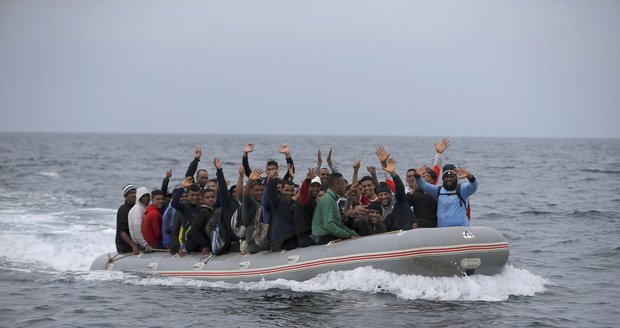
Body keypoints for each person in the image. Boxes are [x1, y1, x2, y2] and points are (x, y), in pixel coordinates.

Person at [311, 173, 359, 244]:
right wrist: (349, 236)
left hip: (327, 234)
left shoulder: (332, 199)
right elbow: (329, 225)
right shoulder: (328, 199)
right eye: (343, 184)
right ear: (336, 185)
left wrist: (354, 234)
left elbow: (339, 224)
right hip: (322, 236)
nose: (345, 186)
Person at [265, 168, 298, 251]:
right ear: (281, 190)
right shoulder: (277, 201)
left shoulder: (293, 203)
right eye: (287, 190)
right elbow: (271, 193)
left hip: (292, 236)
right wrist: (272, 179)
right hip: (282, 239)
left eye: (291, 191)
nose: (289, 193)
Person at [380, 156, 415, 231]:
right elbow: (389, 179)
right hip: (403, 225)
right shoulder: (400, 191)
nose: (412, 178)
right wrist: (384, 163)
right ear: (406, 179)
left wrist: (439, 154)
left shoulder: (427, 188)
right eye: (409, 177)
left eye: (414, 176)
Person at [170, 178, 202, 255]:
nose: (195, 197)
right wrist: (182, 188)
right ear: (187, 196)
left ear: (200, 195)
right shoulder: (183, 208)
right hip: (188, 244)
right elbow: (174, 203)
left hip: (201, 243)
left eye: (197, 195)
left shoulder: (202, 208)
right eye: (192, 195)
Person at [294, 169, 321, 247]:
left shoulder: (315, 200)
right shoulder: (305, 199)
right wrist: (308, 180)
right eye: (312, 186)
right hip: (304, 236)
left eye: (318, 186)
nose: (315, 189)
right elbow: (303, 192)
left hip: (312, 234)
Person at [185, 189, 216, 255]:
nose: (211, 199)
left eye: (212, 197)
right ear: (202, 199)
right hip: (197, 247)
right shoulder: (203, 212)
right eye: (207, 198)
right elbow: (194, 230)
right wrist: (205, 245)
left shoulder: (211, 210)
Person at [116, 184, 140, 254]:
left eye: (135, 193)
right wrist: (133, 245)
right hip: (124, 246)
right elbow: (122, 232)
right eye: (132, 193)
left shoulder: (136, 207)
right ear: (126, 196)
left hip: (135, 243)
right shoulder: (123, 209)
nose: (134, 195)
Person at [128, 187, 153, 252]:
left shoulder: (144, 208)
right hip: (141, 245)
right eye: (143, 196)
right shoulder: (137, 210)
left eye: (147, 196)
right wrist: (145, 245)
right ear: (139, 197)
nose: (146, 198)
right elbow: (137, 232)